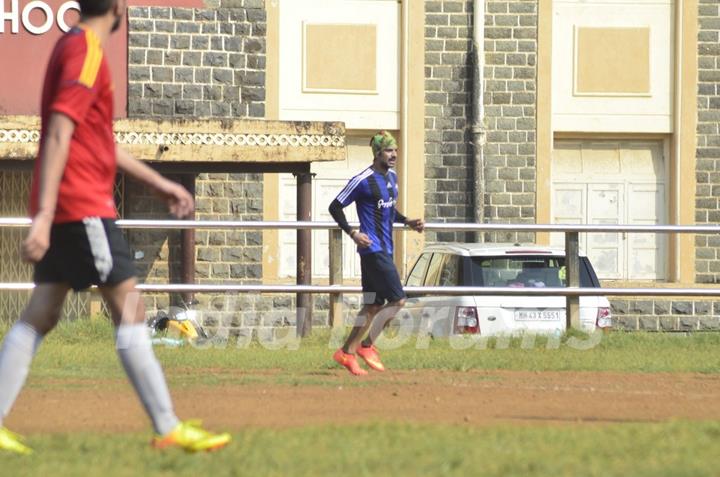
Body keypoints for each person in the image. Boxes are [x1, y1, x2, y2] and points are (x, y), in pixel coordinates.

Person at [0, 0, 230, 454]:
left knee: (41, 313)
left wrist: (158, 182)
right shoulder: (85, 50)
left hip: (71, 206)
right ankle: (168, 427)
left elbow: (97, 141)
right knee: (131, 311)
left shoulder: (73, 44)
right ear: (120, 6)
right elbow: (59, 132)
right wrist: (44, 216)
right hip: (81, 207)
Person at [328, 131, 425, 376]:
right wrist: (352, 232)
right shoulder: (362, 180)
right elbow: (335, 206)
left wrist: (407, 221)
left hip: (385, 249)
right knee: (398, 299)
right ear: (377, 153)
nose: (394, 155)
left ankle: (346, 353)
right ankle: (367, 345)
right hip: (372, 250)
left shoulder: (392, 177)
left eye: (395, 150)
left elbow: (390, 211)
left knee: (372, 306)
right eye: (389, 151)